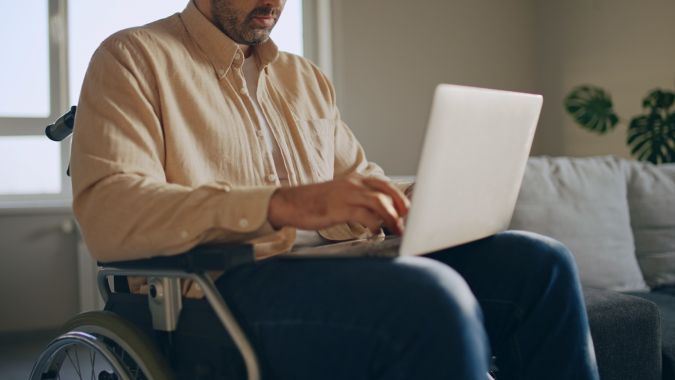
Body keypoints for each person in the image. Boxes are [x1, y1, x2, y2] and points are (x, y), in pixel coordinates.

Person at [70, 0, 600, 379]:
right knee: (426, 297)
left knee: (541, 264)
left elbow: (356, 181)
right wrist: (282, 204)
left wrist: (416, 196)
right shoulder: (132, 57)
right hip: (221, 287)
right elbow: (112, 210)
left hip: (340, 264)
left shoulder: (305, 79)